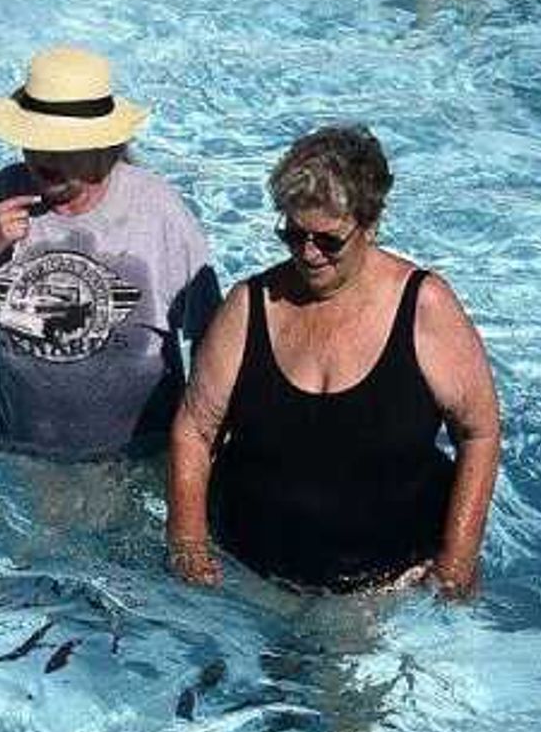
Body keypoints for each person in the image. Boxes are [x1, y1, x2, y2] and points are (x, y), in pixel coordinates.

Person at [166, 125, 502, 597]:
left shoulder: (425, 307)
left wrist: (458, 559)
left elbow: (480, 432)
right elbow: (195, 429)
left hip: (389, 584)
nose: (308, 254)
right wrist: (187, 542)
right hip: (250, 571)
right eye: (293, 235)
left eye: (329, 241)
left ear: (370, 224)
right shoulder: (250, 305)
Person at [0, 47, 223, 460]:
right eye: (36, 140)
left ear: (105, 143)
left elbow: (215, 346)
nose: (44, 156)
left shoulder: (158, 213)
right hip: (20, 454)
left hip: (139, 457)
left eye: (63, 145)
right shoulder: (1, 197)